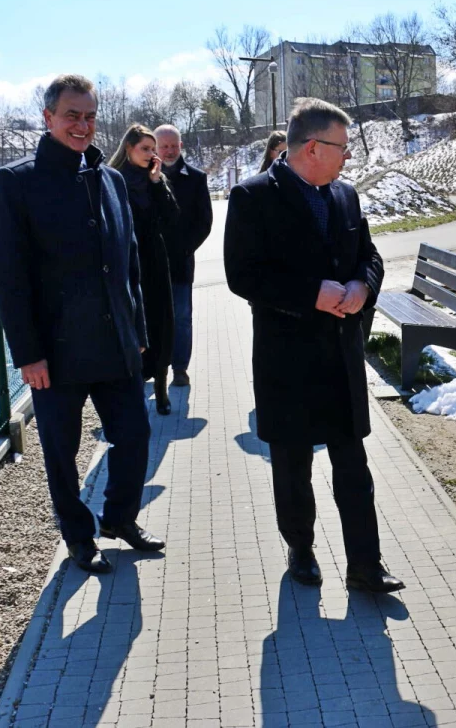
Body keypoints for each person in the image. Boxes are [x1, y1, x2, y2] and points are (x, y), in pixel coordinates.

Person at [0, 74, 165, 575]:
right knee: (62, 457)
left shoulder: (108, 180)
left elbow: (129, 263)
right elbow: (8, 277)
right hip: (57, 354)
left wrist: (139, 334)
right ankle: (79, 537)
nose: (83, 125)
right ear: (48, 119)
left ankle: (120, 519)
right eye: (72, 116)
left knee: (134, 437)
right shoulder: (16, 182)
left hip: (116, 346)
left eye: (89, 116)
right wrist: (27, 353)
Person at [224, 98, 403, 593]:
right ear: (311, 147)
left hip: (341, 355)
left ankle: (366, 565)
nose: (348, 156)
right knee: (293, 465)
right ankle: (300, 548)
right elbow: (242, 276)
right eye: (342, 147)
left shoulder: (345, 195)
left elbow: (369, 254)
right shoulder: (253, 197)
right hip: (288, 358)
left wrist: (364, 287)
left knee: (353, 466)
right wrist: (312, 294)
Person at [109, 123, 179, 415]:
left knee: (161, 324)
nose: (152, 154)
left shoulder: (155, 180)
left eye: (153, 149)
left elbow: (172, 217)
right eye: (145, 149)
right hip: (126, 264)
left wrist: (157, 183)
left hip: (154, 262)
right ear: (129, 149)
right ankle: (132, 390)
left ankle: (162, 389)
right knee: (133, 323)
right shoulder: (113, 181)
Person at [154, 124, 212, 387]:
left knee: (182, 317)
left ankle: (180, 369)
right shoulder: (142, 177)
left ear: (181, 146)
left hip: (180, 262)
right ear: (155, 147)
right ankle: (153, 367)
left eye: (173, 146)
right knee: (149, 316)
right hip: (147, 263)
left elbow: (204, 222)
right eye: (164, 146)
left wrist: (184, 249)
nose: (169, 151)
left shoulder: (196, 178)